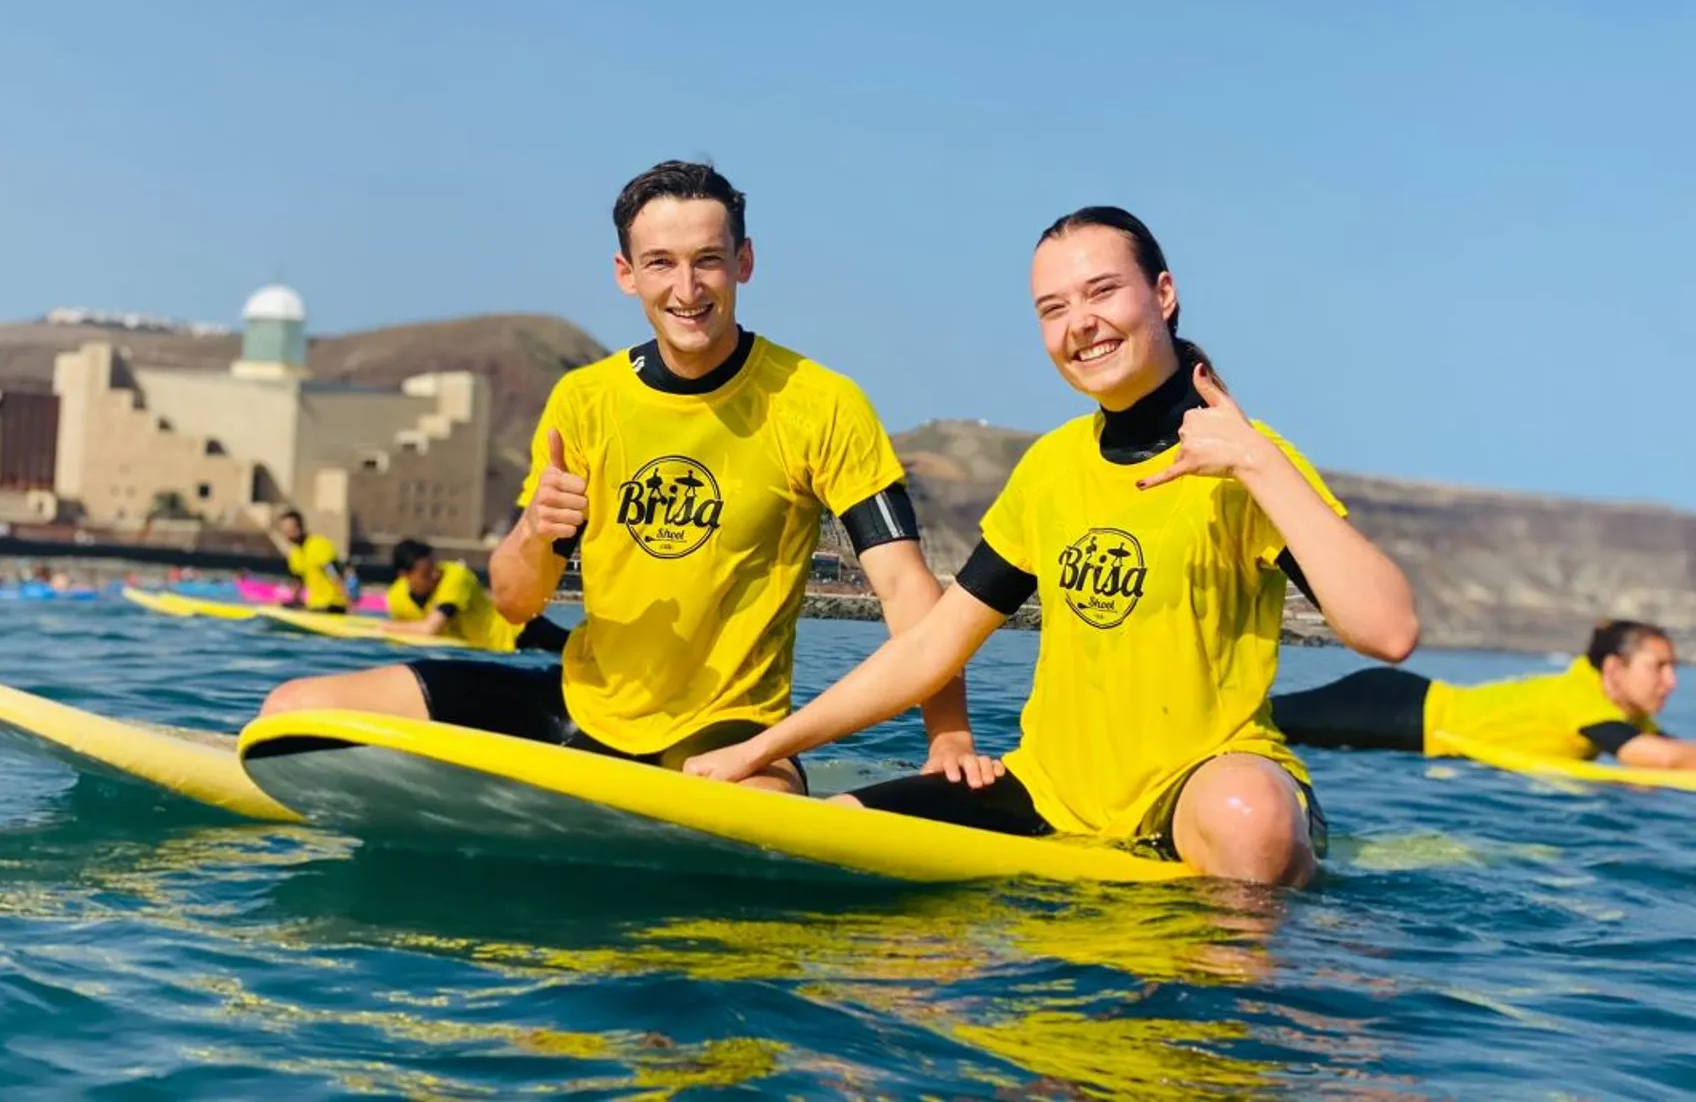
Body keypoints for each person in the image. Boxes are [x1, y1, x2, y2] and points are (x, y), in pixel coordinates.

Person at [684, 205, 1420, 885]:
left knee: (1246, 814)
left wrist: (1258, 461)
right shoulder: (1050, 470)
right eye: (1054, 308)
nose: (1081, 324)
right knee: (817, 837)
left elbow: (1388, 631)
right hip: (1050, 792)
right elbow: (930, 647)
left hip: (1197, 791)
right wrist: (760, 750)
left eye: (1102, 292)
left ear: (1163, 294)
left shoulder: (1247, 464)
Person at [260, 160, 983, 792]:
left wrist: (947, 735)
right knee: (293, 710)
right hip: (580, 708)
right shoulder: (585, 401)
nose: (687, 288)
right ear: (626, 274)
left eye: (707, 260)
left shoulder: (821, 404)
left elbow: (904, 588)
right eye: (660, 262)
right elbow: (513, 601)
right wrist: (536, 531)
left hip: (727, 731)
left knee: (761, 812)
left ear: (744, 262)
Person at [1272, 619, 1693, 769]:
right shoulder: (1580, 699)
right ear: (1615, 668)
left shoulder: (1622, 712)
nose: (1671, 681)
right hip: (1397, 711)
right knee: (1259, 720)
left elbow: (1669, 754)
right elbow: (1648, 756)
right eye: (1658, 667)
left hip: (1408, 714)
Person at [381, 538, 569, 654]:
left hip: (520, 634)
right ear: (404, 575)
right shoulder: (396, 597)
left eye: (434, 567)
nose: (435, 575)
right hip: (490, 649)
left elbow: (430, 628)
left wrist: (384, 627)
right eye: (426, 573)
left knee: (577, 650)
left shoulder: (455, 577)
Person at [273, 509, 348, 613]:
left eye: (291, 530)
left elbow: (335, 574)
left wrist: (348, 605)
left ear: (300, 527)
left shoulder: (319, 545)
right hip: (314, 605)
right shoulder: (295, 554)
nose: (288, 535)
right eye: (285, 532)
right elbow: (298, 580)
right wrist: (292, 601)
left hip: (333, 605)